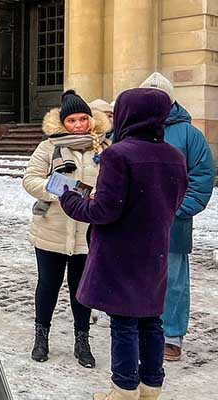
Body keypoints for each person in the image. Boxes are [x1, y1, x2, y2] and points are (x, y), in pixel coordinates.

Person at [59, 88, 188, 400]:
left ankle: (124, 388)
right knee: (151, 320)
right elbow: (174, 200)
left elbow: (104, 210)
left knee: (124, 322)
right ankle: (151, 385)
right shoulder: (173, 156)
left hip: (120, 252)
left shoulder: (119, 154)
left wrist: (70, 199)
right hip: (153, 249)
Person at [22, 89, 112, 368]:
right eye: (71, 121)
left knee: (82, 289)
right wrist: (71, 191)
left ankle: (82, 339)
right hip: (52, 229)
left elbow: (113, 183)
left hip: (88, 233)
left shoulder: (103, 148)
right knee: (47, 285)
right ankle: (41, 335)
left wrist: (101, 197)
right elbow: (30, 180)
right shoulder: (49, 147)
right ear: (63, 123)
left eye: (82, 119)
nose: (78, 125)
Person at [140, 72, 216, 362]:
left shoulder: (189, 134)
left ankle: (171, 336)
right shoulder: (129, 128)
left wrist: (178, 209)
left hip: (173, 224)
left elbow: (202, 177)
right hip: (135, 223)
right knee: (136, 277)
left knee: (172, 281)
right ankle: (139, 328)